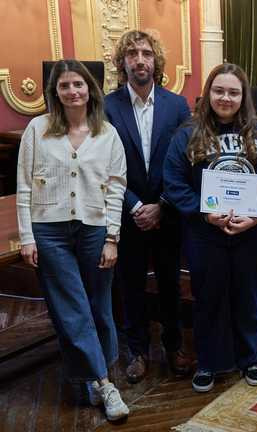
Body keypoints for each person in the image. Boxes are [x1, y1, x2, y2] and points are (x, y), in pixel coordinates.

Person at [163, 63, 257, 393]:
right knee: (208, 297)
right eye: (219, 90)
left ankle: (253, 358)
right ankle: (209, 361)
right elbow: (173, 182)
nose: (226, 98)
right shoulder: (188, 133)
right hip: (205, 233)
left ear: (243, 96)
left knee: (248, 295)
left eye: (233, 92)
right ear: (208, 93)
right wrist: (203, 213)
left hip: (251, 231)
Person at [16, 59, 129, 421]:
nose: (72, 91)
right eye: (64, 85)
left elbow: (116, 189)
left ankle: (90, 380)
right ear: (55, 92)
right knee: (71, 307)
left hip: (95, 229)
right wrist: (27, 236)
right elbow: (23, 187)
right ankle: (104, 383)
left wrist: (112, 238)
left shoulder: (107, 133)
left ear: (89, 90)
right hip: (50, 230)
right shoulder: (37, 128)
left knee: (99, 306)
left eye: (78, 84)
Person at [104, 30, 192, 384]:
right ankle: (137, 351)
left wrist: (161, 205)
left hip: (167, 213)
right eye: (132, 54)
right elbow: (104, 166)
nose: (140, 60)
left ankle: (174, 347)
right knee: (130, 285)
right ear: (122, 62)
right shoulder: (108, 107)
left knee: (171, 283)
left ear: (156, 61)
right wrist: (136, 205)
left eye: (146, 53)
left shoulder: (177, 105)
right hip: (126, 214)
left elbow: (186, 163)